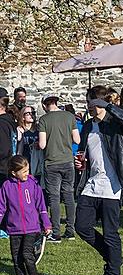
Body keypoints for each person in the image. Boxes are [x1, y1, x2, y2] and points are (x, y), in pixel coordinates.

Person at [74, 85, 123, 275]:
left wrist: (109, 107)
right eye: (88, 104)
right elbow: (86, 151)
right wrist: (81, 162)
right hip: (91, 183)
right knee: (81, 226)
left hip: (112, 186)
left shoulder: (114, 124)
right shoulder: (87, 126)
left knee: (110, 232)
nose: (90, 108)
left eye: (93, 104)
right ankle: (113, 257)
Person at [0, 155, 52, 275]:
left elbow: (41, 206)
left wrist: (46, 223)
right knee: (16, 259)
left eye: (28, 170)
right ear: (13, 173)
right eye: (24, 171)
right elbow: (1, 208)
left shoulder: (33, 184)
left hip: (32, 228)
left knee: (27, 255)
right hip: (14, 229)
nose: (27, 174)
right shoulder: (6, 186)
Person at [38, 94, 80, 242]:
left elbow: (42, 144)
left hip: (51, 162)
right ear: (57, 103)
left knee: (54, 197)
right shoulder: (69, 116)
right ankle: (70, 230)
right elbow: (77, 139)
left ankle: (55, 233)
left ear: (45, 105)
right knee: (69, 195)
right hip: (68, 160)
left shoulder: (43, 120)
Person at [16, 105, 43, 185]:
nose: (31, 115)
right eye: (28, 113)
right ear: (23, 117)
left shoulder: (40, 129)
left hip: (38, 162)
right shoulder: (20, 130)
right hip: (26, 161)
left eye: (33, 113)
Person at [0, 94, 17, 186]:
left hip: (3, 168)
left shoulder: (2, 123)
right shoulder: (10, 121)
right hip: (9, 165)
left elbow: (3, 149)